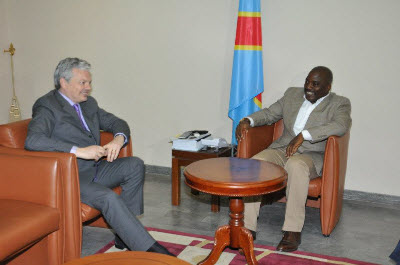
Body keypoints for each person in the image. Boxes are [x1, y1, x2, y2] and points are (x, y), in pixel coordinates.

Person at [25, 57, 173, 256]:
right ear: (63, 82)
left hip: (96, 168)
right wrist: (78, 150)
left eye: (89, 82)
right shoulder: (46, 106)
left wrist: (118, 139)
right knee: (108, 197)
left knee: (135, 165)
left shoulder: (89, 104)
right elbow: (33, 140)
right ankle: (151, 252)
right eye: (83, 83)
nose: (88, 87)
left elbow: (117, 123)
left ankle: (124, 236)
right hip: (70, 176)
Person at [235, 66, 352, 252]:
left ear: (327, 87)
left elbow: (340, 125)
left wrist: (304, 135)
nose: (309, 87)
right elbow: (270, 113)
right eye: (307, 81)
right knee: (255, 164)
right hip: (282, 149)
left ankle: (292, 231)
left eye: (315, 84)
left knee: (296, 166)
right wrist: (248, 120)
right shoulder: (291, 95)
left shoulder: (339, 103)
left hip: (311, 155)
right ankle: (247, 227)